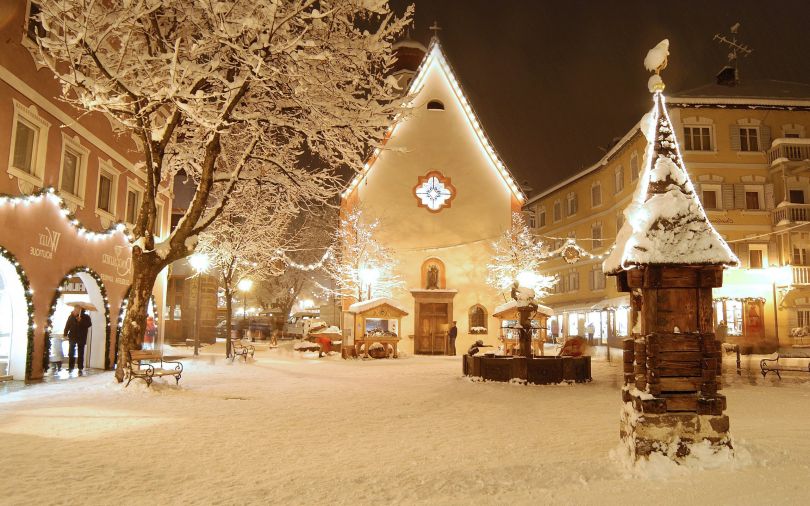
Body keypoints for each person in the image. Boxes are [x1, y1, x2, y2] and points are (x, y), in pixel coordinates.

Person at [64, 307, 92, 374]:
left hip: (81, 337)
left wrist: (81, 321)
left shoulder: (86, 317)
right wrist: (65, 333)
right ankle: (71, 367)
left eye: (77, 309)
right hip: (72, 336)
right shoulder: (71, 316)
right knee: (71, 352)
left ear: (81, 310)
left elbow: (89, 324)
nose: (75, 310)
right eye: (75, 309)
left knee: (80, 353)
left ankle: (80, 367)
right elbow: (67, 325)